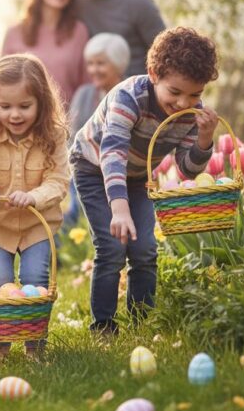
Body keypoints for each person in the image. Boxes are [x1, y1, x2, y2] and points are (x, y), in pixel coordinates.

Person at [70, 27, 219, 334]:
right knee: (111, 246)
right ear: (153, 74)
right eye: (175, 92)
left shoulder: (191, 114)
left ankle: (142, 324)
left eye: (195, 94)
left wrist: (204, 139)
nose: (183, 103)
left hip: (137, 177)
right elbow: (112, 153)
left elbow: (187, 169)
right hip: (94, 169)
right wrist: (120, 209)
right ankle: (103, 327)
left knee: (145, 249)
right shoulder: (129, 98)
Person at [0, 54, 70, 362]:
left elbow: (58, 181)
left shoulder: (53, 137)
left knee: (35, 279)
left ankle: (34, 345)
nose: (14, 114)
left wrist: (34, 196)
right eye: (5, 106)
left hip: (38, 226)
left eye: (24, 106)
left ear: (41, 103)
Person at [64, 33, 131, 227]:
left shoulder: (130, 93)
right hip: (85, 169)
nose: (94, 70)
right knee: (76, 214)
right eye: (90, 63)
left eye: (101, 63)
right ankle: (56, 253)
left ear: (118, 64)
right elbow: (71, 137)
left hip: (122, 173)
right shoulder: (84, 94)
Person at [2, 0, 89, 109]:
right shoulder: (14, 32)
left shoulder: (79, 31)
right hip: (23, 120)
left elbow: (86, 84)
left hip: (67, 122)